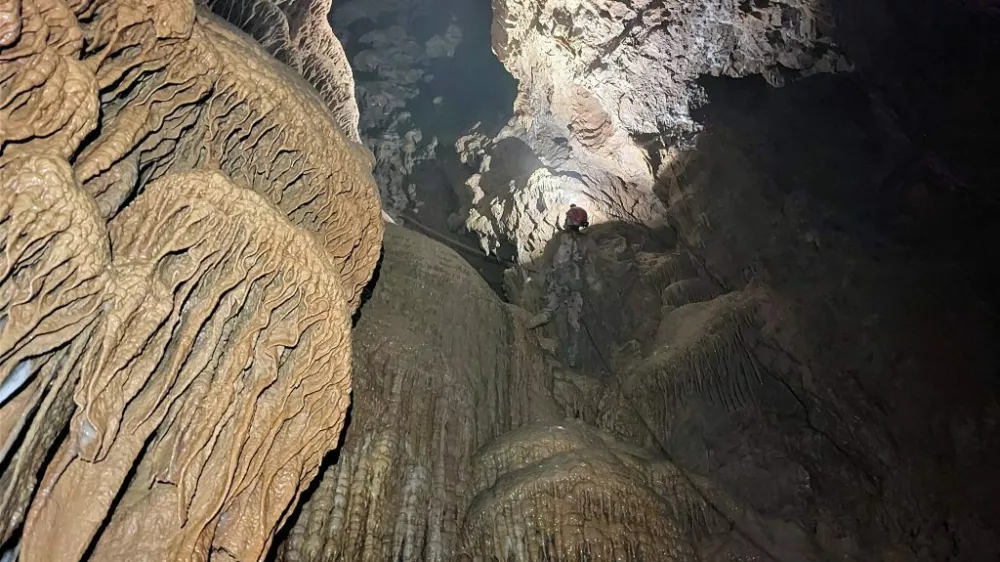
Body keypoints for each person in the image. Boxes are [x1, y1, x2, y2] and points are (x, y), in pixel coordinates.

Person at [526, 205, 596, 367]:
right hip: (576, 286)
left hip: (557, 282)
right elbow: (592, 266)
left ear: (570, 220)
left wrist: (541, 275)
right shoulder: (587, 242)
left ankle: (530, 324)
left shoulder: (558, 238)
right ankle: (571, 358)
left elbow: (547, 260)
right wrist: (592, 284)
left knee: (549, 309)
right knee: (574, 322)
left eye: (567, 218)